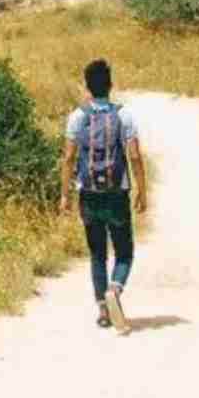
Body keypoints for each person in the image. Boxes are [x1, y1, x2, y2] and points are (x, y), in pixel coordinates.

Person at [58, 58, 148, 330]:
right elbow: (133, 155)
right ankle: (115, 290)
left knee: (97, 253)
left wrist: (65, 195)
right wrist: (142, 190)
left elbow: (68, 158)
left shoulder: (77, 116)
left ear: (87, 86)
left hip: (89, 193)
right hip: (117, 193)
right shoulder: (124, 116)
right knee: (124, 253)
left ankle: (103, 310)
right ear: (110, 85)